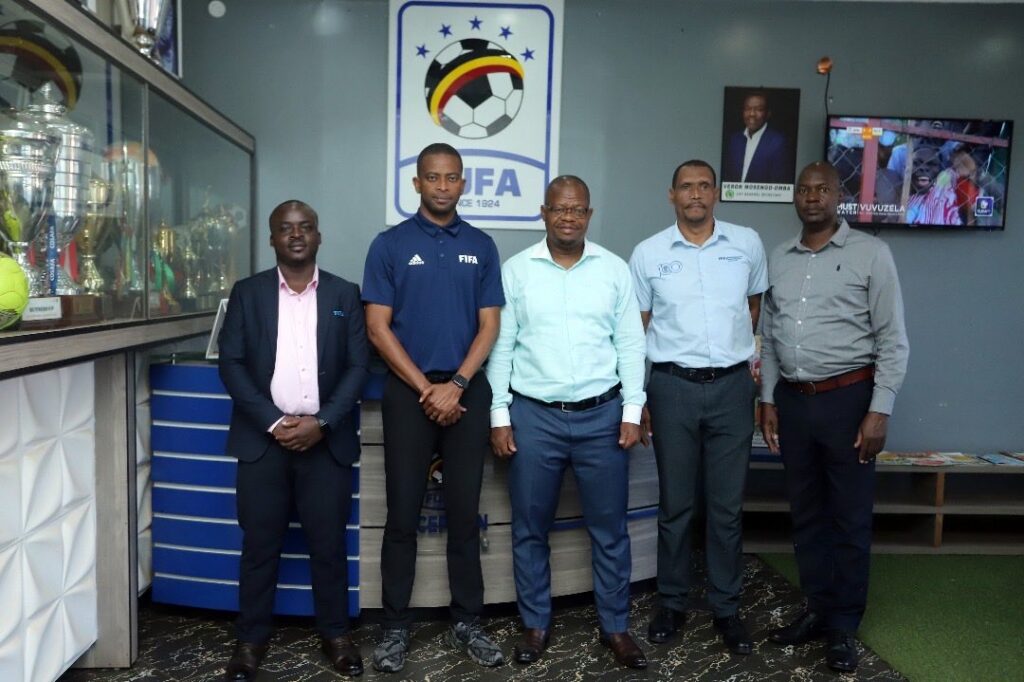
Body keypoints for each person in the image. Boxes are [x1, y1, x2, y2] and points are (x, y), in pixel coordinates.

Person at [487, 175, 648, 670]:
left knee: (610, 530)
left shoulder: (614, 270)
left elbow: (630, 344)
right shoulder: (516, 271)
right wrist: (499, 415)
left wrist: (632, 410)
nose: (568, 218)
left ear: (589, 215)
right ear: (544, 213)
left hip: (602, 418)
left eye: (577, 210)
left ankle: (615, 627)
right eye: (559, 209)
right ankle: (535, 625)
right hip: (534, 417)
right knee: (529, 528)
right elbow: (502, 347)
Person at [760, 162, 909, 673]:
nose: (812, 197)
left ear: (838, 195)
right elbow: (771, 337)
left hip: (850, 402)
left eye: (822, 189)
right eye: (804, 189)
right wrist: (768, 398)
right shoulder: (779, 257)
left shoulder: (872, 254)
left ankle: (843, 625)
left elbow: (893, 339)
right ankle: (817, 610)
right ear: (795, 197)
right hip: (794, 402)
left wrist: (879, 409)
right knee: (806, 515)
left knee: (848, 516)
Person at [362, 143, 505, 673]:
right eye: (433, 177)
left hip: (466, 392)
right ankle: (395, 627)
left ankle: (468, 621)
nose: (443, 186)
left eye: (451, 178)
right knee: (402, 515)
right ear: (417, 183)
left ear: (462, 184)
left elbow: (490, 324)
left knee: (465, 515)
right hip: (409, 393)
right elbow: (377, 328)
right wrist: (427, 388)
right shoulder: (389, 245)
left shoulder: (481, 245)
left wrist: (458, 383)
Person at [218, 200, 369, 680]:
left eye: (306, 227)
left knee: (328, 547)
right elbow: (231, 364)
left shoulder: (345, 293)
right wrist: (272, 421)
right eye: (286, 228)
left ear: (319, 236)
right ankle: (250, 641)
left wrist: (321, 422)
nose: (297, 235)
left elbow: (358, 367)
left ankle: (337, 636)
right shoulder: (248, 293)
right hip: (263, 442)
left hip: (325, 442)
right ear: (273, 239)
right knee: (260, 548)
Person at [629, 160, 767, 655]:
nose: (695, 194)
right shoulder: (648, 253)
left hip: (732, 388)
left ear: (716, 193)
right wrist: (639, 395)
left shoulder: (746, 243)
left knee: (726, 507)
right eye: (685, 187)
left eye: (704, 186)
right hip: (672, 389)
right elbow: (638, 328)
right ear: (671, 195)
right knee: (677, 505)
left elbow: (752, 310)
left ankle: (727, 608)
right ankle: (672, 602)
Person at [722, 91, 791, 184]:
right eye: (747, 109)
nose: (752, 114)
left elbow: (779, 182)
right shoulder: (734, 140)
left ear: (768, 113)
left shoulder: (778, 142)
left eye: (759, 109)